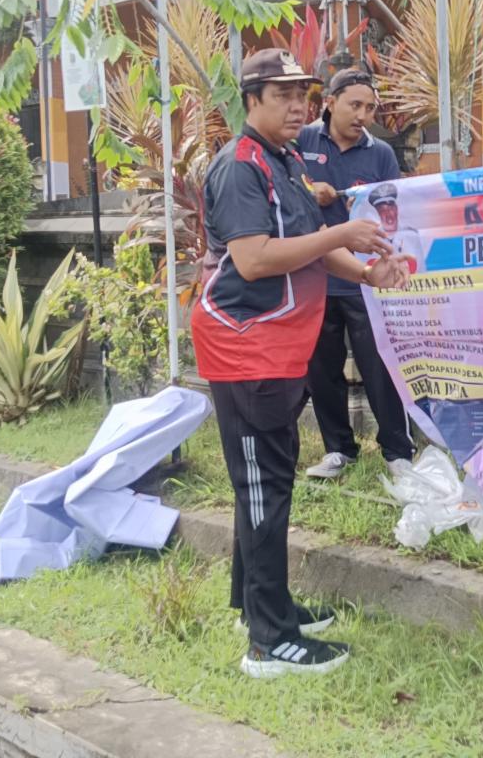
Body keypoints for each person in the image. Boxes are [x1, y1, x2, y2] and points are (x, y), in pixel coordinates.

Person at [192, 48, 409, 679]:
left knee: (266, 482)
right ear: (250, 100)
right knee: (264, 487)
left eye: (301, 95)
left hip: (278, 343)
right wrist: (343, 234)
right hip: (245, 346)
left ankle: (258, 605)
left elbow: (306, 246)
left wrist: (366, 272)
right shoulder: (240, 167)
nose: (296, 106)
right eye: (281, 95)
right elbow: (256, 258)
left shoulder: (283, 160)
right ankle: (269, 643)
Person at [297, 68, 417, 481]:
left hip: (365, 278)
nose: (363, 115)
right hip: (316, 274)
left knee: (379, 365)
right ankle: (338, 449)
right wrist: (311, 191)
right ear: (329, 103)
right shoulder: (302, 142)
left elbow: (394, 207)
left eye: (370, 108)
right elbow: (286, 192)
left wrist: (368, 211)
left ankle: (398, 451)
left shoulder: (380, 153)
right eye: (355, 105)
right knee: (321, 368)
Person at [367, 182, 425, 269]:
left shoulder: (412, 235)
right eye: (383, 210)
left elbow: (421, 268)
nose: (388, 214)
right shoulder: (372, 238)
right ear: (378, 213)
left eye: (391, 208)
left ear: (396, 209)